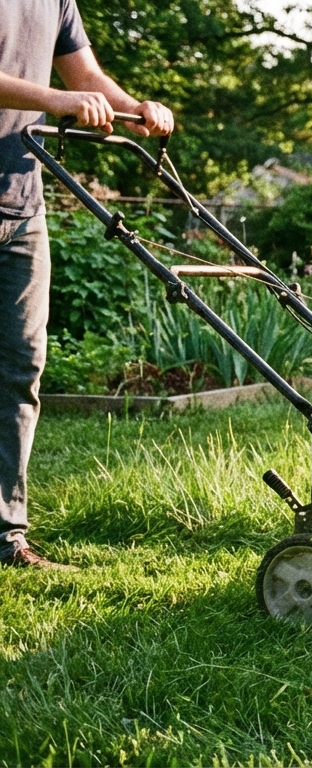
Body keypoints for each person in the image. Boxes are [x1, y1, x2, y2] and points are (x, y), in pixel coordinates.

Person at [0, 0, 174, 569]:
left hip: (24, 204)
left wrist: (134, 108)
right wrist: (57, 100)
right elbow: (65, 93)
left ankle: (5, 536)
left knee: (20, 368)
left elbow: (87, 77)